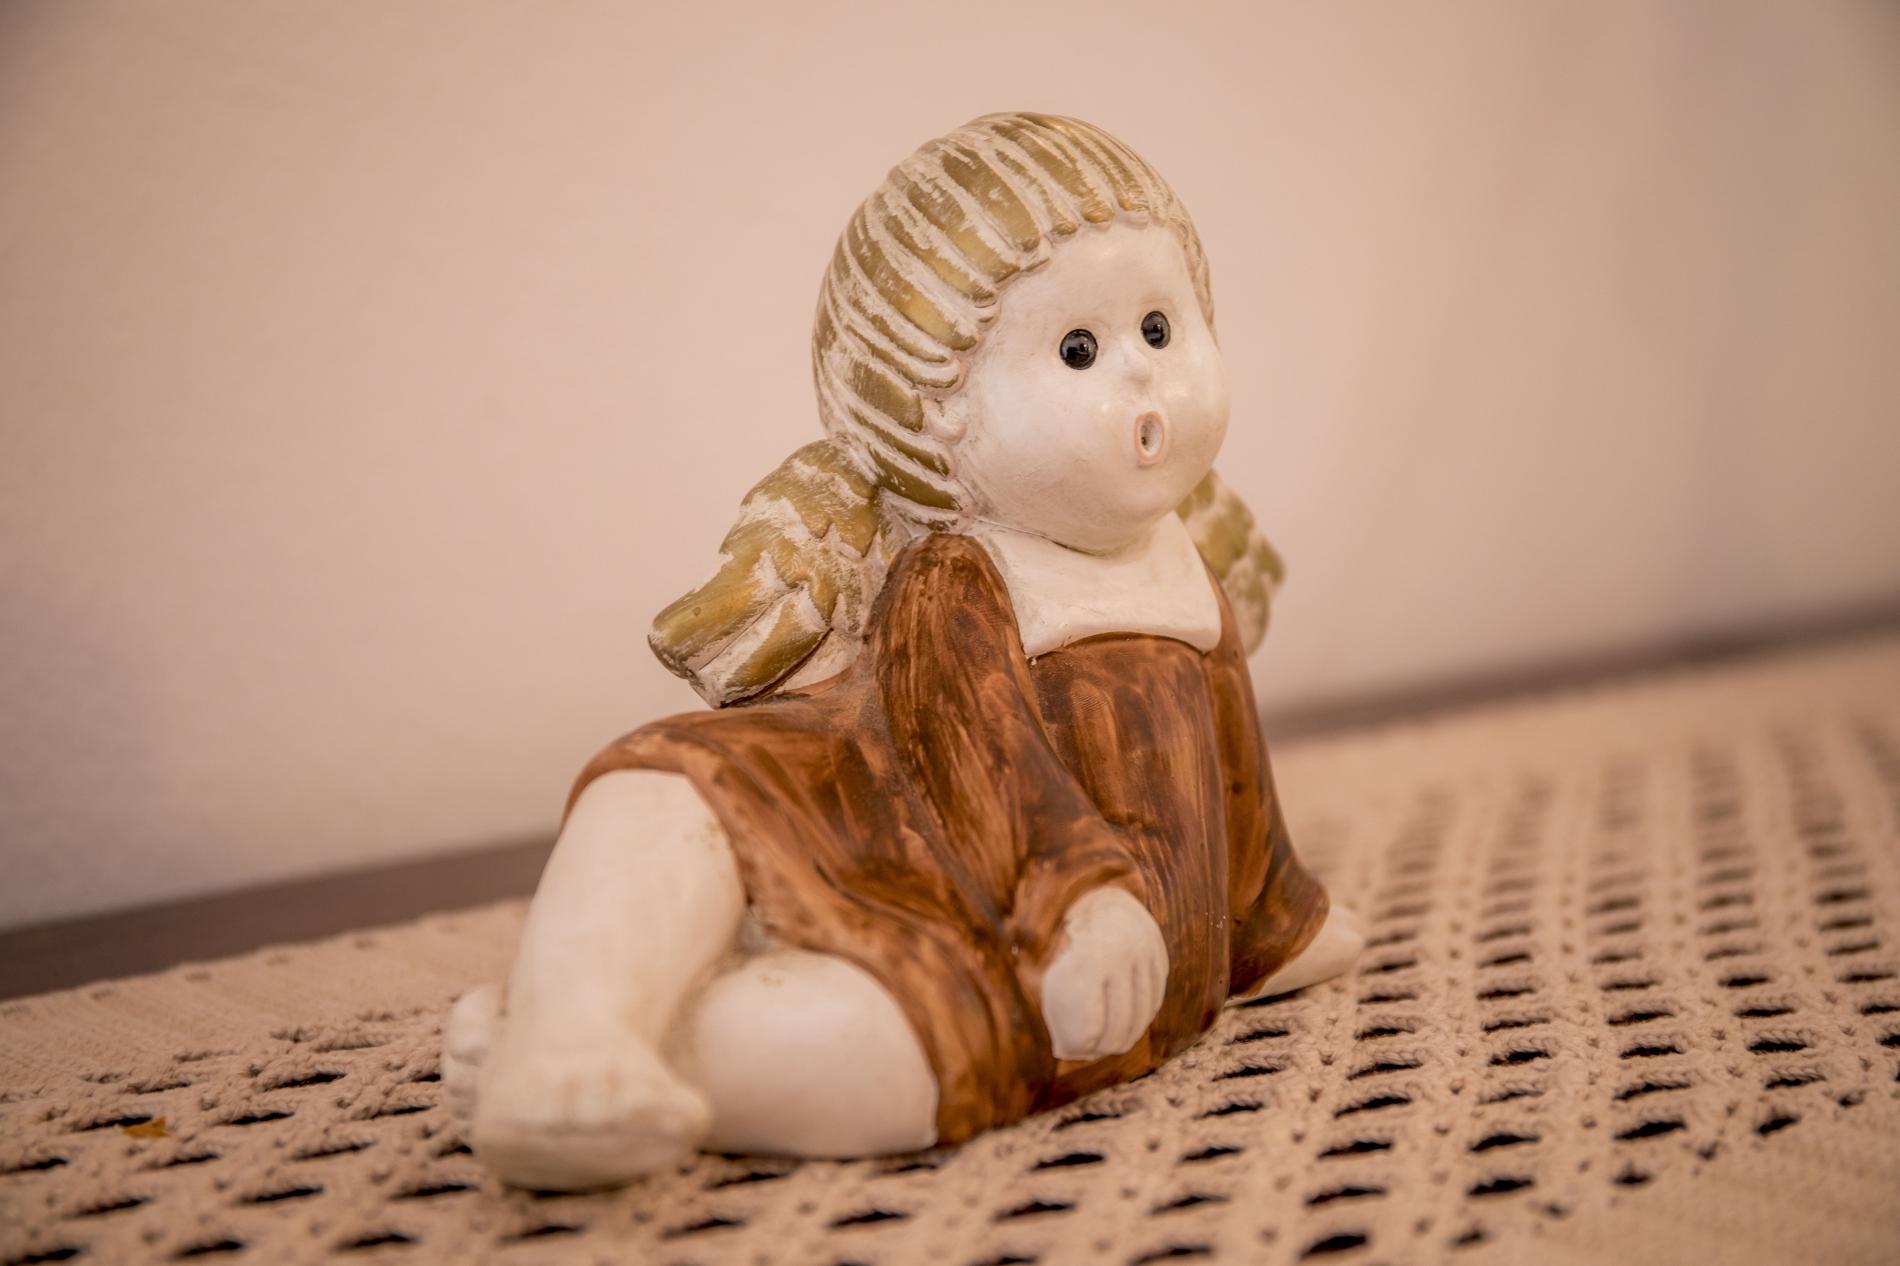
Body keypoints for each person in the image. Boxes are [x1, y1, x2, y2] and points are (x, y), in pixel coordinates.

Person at [443, 113, 1363, 1191]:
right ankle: (580, 1026)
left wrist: (1272, 924)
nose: (1141, 379)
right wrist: (1079, 900)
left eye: (1161, 329)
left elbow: (1237, 782)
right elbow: (979, 762)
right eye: (1077, 350)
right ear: (943, 418)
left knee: (885, 1053)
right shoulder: (961, 577)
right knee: (668, 786)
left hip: (1060, 967)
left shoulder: (1184, 570)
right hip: (1001, 879)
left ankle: (592, 1054)